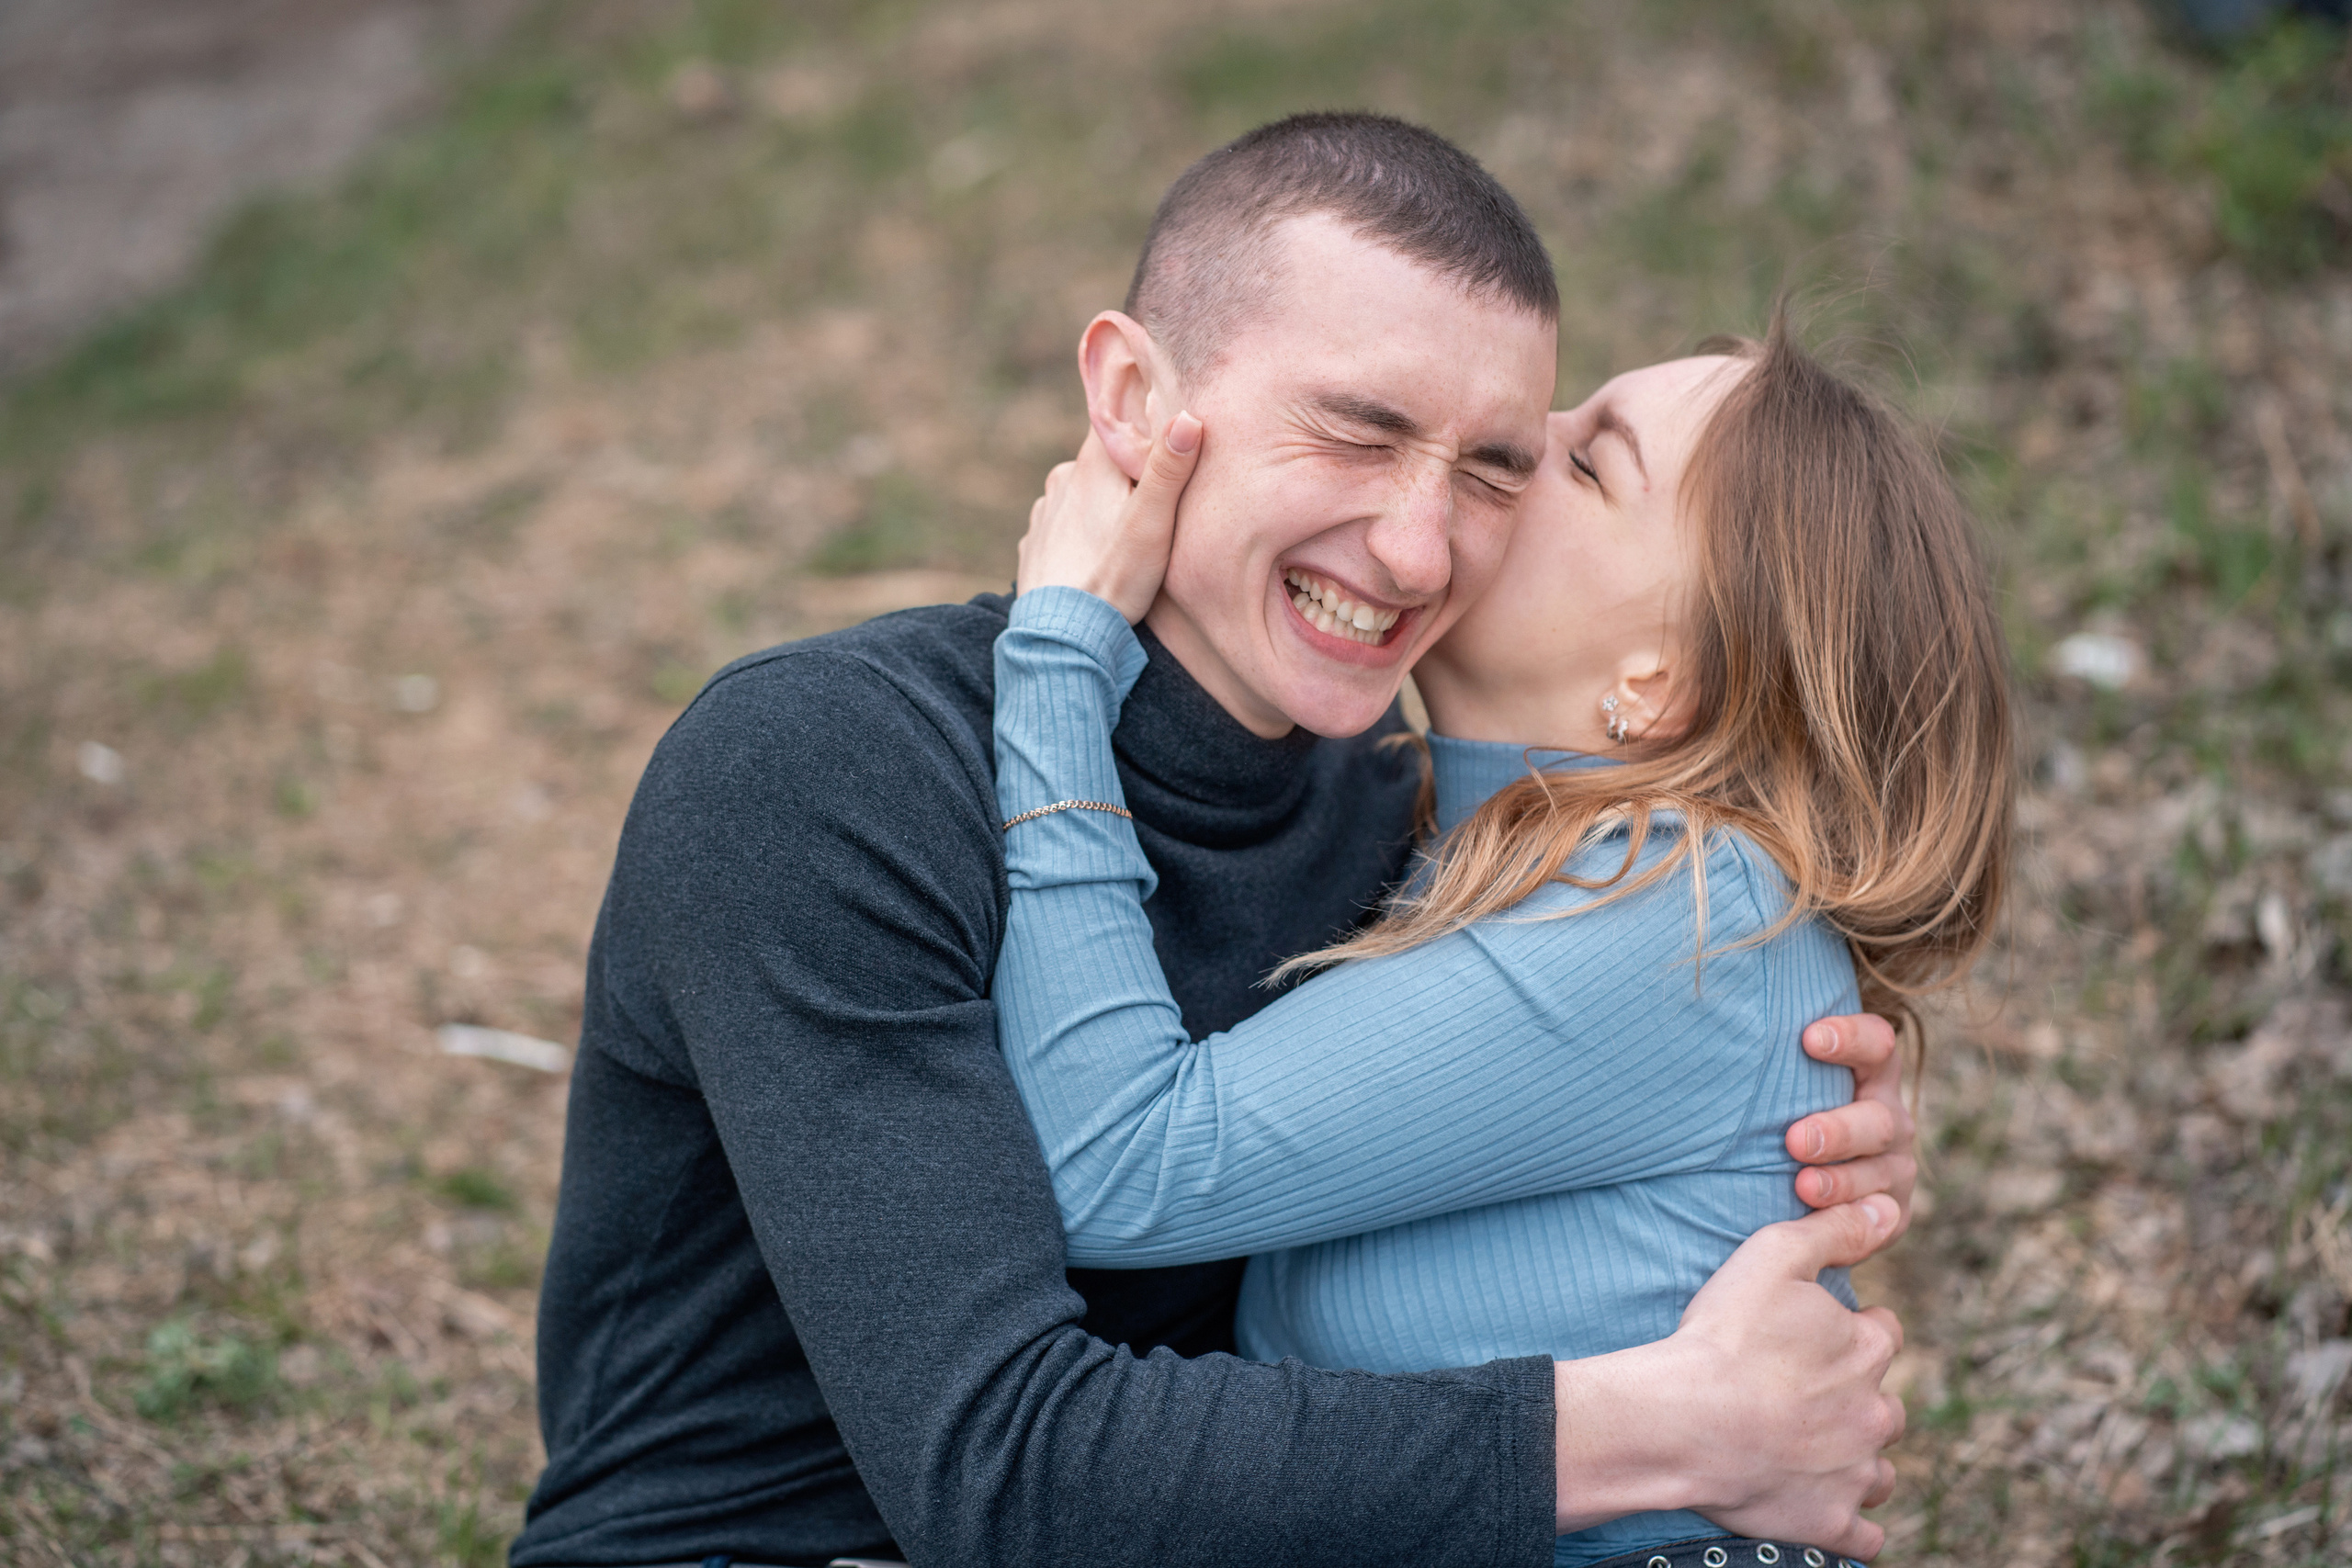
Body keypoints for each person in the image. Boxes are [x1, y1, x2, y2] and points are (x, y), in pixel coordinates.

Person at [513, 114, 1916, 1568]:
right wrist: (1657, 1427)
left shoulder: (1409, 841)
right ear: (1130, 394)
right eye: (1358, 432)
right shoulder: (821, 770)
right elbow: (1008, 1478)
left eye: (1499, 467)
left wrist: (1784, 1140)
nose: (1421, 549)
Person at [989, 321, 2012, 1566]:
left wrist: (1055, 654)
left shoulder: (1686, 912)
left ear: (1660, 681)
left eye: (1589, 464)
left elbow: (1115, 1166)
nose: (1527, 444)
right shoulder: (1475, 855)